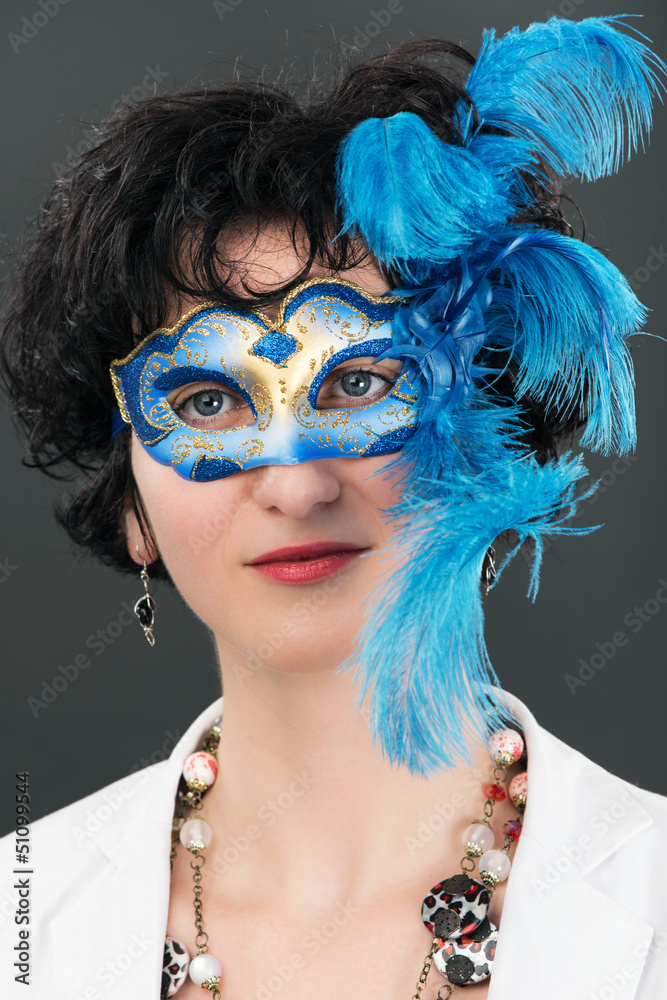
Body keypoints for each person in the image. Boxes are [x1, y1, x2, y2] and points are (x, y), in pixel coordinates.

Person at [1, 13, 666, 1000]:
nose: (299, 483)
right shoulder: (22, 916)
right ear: (130, 501)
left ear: (486, 437)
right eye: (205, 401)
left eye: (360, 383)